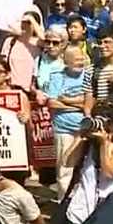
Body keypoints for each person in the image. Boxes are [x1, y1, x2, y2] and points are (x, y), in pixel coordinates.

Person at [58, 101, 113, 224]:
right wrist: (80, 137)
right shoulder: (88, 140)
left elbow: (110, 172)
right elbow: (68, 162)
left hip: (108, 212)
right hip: (79, 212)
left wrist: (104, 144)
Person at [44, 45, 88, 200]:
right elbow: (52, 103)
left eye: (82, 58)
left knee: (86, 168)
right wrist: (79, 105)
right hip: (64, 129)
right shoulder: (57, 76)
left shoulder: (89, 76)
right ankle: (65, 202)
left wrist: (68, 101)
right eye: (76, 60)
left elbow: (89, 102)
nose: (80, 62)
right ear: (66, 61)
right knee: (65, 167)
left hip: (85, 129)